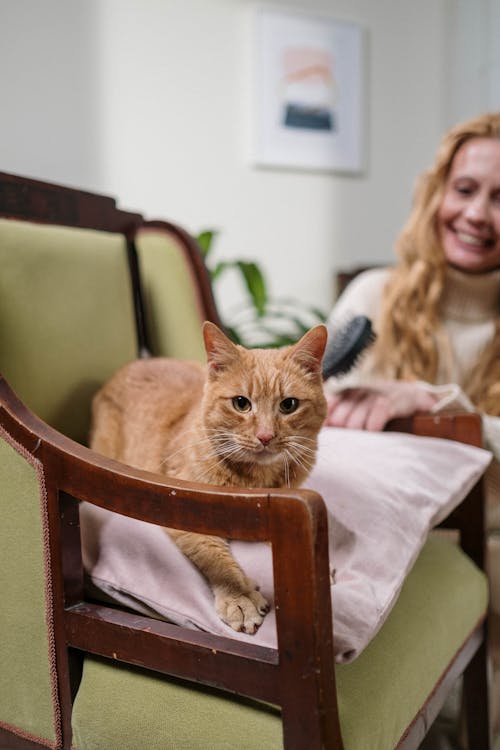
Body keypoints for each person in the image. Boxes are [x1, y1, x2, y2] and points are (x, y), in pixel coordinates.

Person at [324, 111, 500, 742]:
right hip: (384, 538)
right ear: (437, 193)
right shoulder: (374, 296)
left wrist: (435, 404)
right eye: (466, 189)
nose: (478, 214)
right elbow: (313, 407)